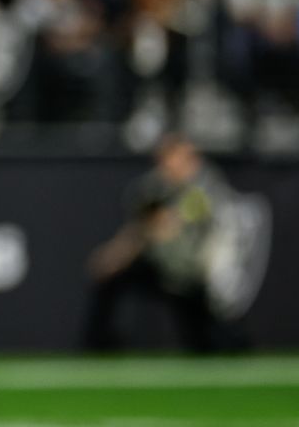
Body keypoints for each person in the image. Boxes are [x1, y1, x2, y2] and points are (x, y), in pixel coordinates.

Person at [82, 134, 247, 353]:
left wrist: (167, 220)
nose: (170, 164)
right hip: (159, 266)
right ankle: (100, 345)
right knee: (111, 279)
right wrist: (115, 255)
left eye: (177, 157)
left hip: (192, 273)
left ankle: (236, 346)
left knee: (203, 335)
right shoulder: (153, 186)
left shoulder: (205, 185)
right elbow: (140, 228)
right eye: (166, 159)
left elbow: (185, 217)